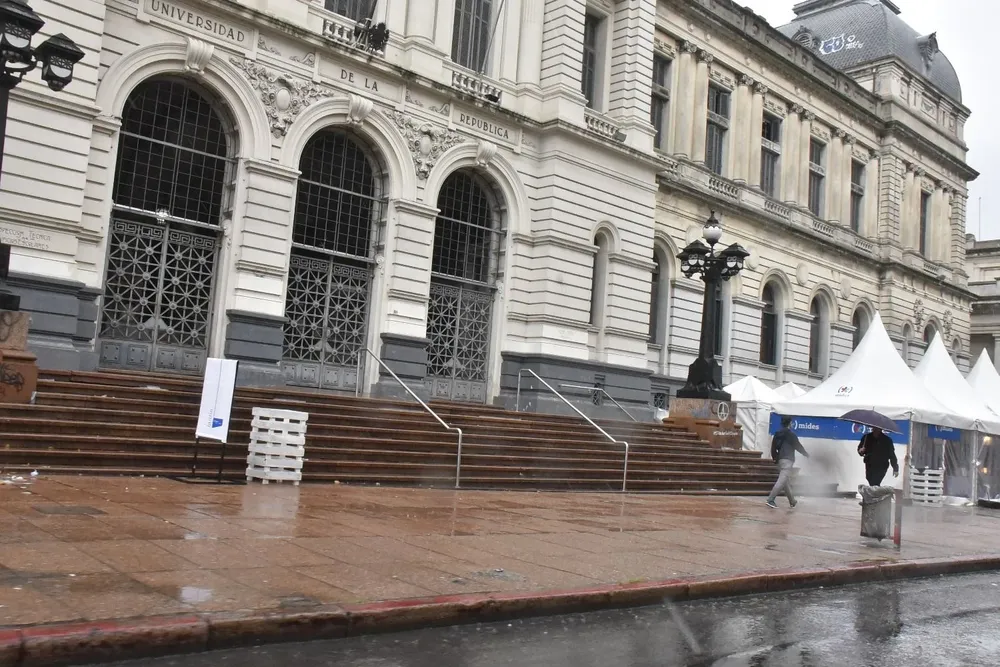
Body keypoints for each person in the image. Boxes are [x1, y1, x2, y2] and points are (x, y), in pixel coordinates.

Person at [766, 416, 809, 509]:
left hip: (780, 460)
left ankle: (792, 501)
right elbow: (798, 446)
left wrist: (775, 458)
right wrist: (806, 454)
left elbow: (773, 447)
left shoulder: (777, 434)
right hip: (788, 460)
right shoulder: (791, 435)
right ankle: (770, 499)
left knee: (785, 481)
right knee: (781, 481)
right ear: (790, 423)